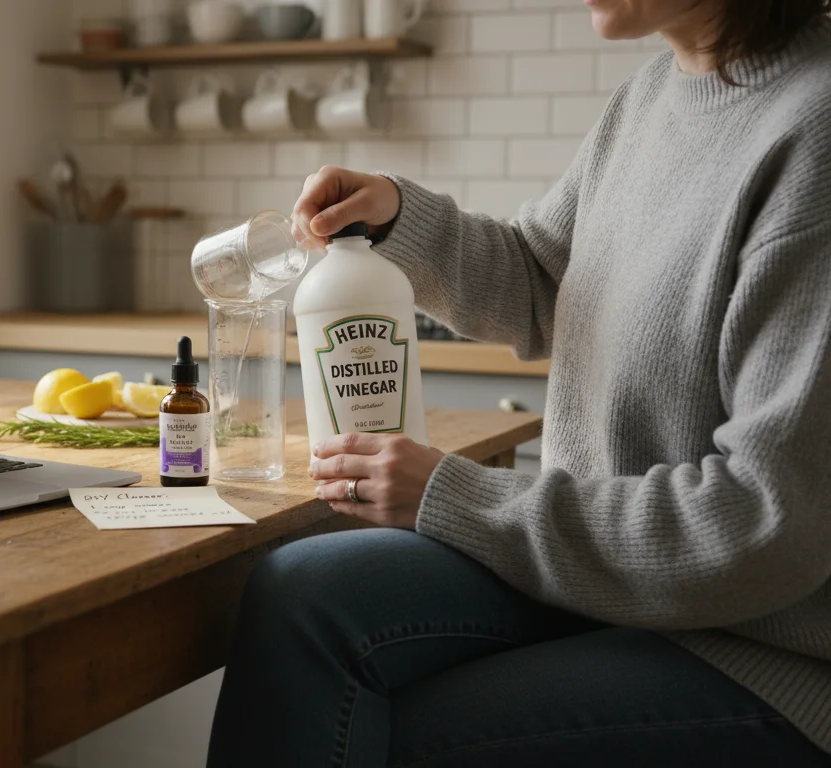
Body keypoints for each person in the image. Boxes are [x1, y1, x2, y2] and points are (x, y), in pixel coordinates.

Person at [206, 0, 831, 765]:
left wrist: (460, 498)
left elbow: (767, 529)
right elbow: (546, 283)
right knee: (298, 592)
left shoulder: (814, 133)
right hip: (604, 586)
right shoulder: (647, 99)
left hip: (757, 653)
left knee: (389, 728)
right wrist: (399, 218)